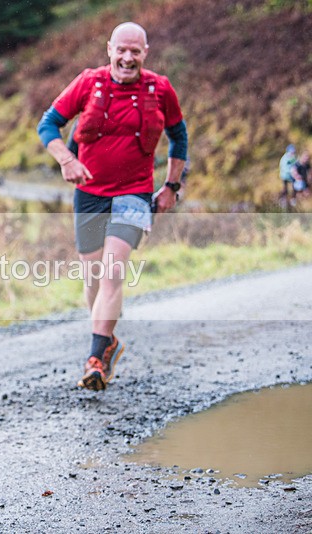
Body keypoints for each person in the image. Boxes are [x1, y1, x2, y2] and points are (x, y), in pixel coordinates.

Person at [36, 22, 188, 391]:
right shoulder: (88, 82)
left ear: (145, 53)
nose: (127, 57)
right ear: (109, 49)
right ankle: (108, 343)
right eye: (121, 49)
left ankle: (94, 359)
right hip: (89, 192)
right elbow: (49, 124)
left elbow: (178, 136)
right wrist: (66, 160)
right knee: (92, 278)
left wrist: (170, 186)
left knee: (112, 272)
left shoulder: (160, 88)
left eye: (135, 51)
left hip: (135, 193)